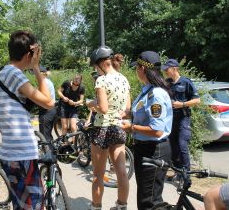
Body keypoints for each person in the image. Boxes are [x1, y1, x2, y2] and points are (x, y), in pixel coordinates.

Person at [0, 30, 54, 209]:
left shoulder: (2, 74)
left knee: (21, 204)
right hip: (22, 153)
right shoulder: (14, 73)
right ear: (29, 54)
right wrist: (36, 67)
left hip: (9, 152)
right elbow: (49, 102)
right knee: (35, 205)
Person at [120, 51, 173, 210]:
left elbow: (156, 129)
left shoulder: (155, 94)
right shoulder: (147, 91)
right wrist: (128, 113)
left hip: (154, 150)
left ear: (143, 69)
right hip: (145, 148)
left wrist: (132, 128)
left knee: (149, 202)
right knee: (147, 197)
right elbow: (144, 112)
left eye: (136, 68)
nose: (136, 71)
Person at [86, 46, 130, 210]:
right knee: (122, 173)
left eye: (95, 67)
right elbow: (127, 109)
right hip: (118, 128)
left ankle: (96, 207)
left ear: (102, 63)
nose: (95, 70)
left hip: (102, 128)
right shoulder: (124, 79)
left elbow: (103, 108)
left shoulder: (101, 80)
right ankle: (121, 205)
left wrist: (90, 103)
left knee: (98, 175)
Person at [161, 59, 200, 170]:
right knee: (173, 147)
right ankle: (178, 172)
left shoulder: (185, 82)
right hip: (171, 119)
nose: (165, 71)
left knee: (182, 145)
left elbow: (197, 100)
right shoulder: (167, 83)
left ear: (174, 69)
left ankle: (186, 174)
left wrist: (182, 104)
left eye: (167, 69)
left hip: (183, 118)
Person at [38, 65, 56, 141]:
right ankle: (50, 151)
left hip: (46, 111)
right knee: (47, 134)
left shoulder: (44, 83)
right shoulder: (48, 81)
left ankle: (49, 152)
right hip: (50, 110)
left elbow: (43, 98)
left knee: (45, 136)